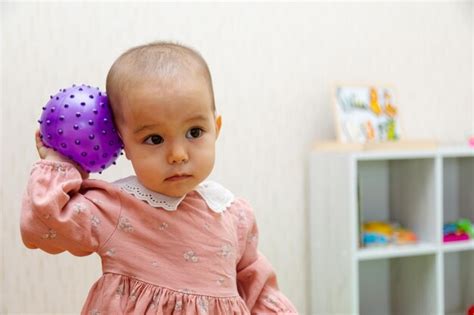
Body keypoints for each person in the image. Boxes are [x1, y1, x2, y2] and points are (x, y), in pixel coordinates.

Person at [21, 41, 298, 314]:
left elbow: (257, 286)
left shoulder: (233, 215)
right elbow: (45, 224)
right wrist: (61, 164)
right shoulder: (116, 208)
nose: (177, 154)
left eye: (194, 132)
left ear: (216, 128)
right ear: (123, 144)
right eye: (154, 138)